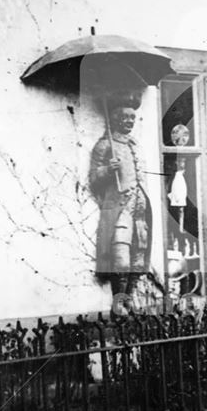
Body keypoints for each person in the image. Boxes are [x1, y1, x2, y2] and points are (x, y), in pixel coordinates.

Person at [89, 92, 152, 295]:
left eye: (132, 117)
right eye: (125, 117)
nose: (129, 121)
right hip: (120, 210)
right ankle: (119, 303)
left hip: (140, 211)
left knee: (139, 259)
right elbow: (93, 179)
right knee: (121, 260)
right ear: (115, 119)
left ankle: (130, 300)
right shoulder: (105, 145)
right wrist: (108, 170)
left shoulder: (134, 145)